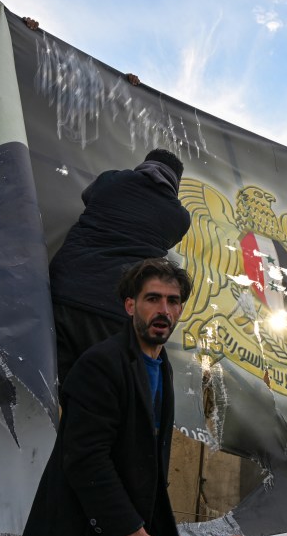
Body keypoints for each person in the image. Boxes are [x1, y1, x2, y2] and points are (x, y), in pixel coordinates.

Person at [0, 258, 193, 536]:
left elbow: (144, 465)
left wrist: (163, 532)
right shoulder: (101, 364)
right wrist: (134, 535)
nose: (163, 310)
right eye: (153, 299)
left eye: (172, 300)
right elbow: (86, 459)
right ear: (130, 305)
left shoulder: (160, 366)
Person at [49, 148, 192, 383]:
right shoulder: (179, 217)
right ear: (176, 182)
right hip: (115, 309)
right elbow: (169, 239)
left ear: (145, 165)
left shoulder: (110, 180)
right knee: (93, 391)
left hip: (65, 290)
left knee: (48, 384)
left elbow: (88, 197)